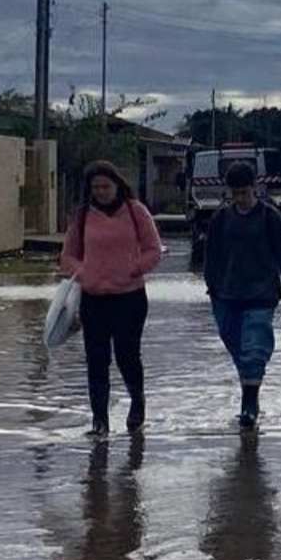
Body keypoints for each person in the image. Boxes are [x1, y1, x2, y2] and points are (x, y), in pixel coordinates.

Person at [60, 160, 163, 438]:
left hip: (129, 297)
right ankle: (99, 421)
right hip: (94, 298)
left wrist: (134, 268)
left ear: (117, 184)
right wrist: (82, 272)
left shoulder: (136, 211)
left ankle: (137, 403)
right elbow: (67, 256)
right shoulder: (82, 216)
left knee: (127, 356)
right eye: (96, 187)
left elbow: (154, 250)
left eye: (106, 186)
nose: (101, 192)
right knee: (96, 359)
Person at [205, 161, 281, 431]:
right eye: (235, 193)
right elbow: (211, 255)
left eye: (244, 192)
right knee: (238, 349)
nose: (240, 198)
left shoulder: (270, 217)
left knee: (254, 348)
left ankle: (249, 406)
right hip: (225, 295)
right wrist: (212, 287)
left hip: (261, 294)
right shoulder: (221, 219)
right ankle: (249, 392)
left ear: (254, 189)